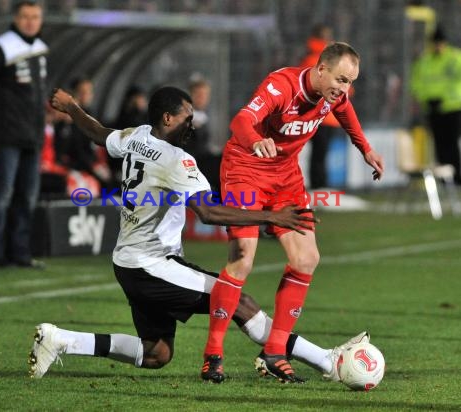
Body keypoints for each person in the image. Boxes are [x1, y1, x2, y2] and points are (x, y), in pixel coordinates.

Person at [28, 86, 370, 382]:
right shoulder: (177, 161)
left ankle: (61, 339)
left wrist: (72, 107)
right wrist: (272, 215)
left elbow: (100, 133)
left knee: (156, 354)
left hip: (127, 263)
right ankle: (326, 360)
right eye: (187, 118)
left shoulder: (137, 135)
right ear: (167, 119)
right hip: (152, 264)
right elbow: (208, 212)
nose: (193, 124)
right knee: (241, 302)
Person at [203, 42, 384, 383]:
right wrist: (256, 139)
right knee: (242, 258)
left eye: (350, 82)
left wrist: (366, 149)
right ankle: (213, 353)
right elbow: (241, 120)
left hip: (285, 177)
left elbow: (345, 112)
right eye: (341, 79)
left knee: (306, 259)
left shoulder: (334, 96)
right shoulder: (281, 85)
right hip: (246, 170)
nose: (344, 90)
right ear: (320, 70)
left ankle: (274, 352)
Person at [0, 1, 48, 268]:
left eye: (35, 16)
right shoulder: (1, 47)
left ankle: (20, 253)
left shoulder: (38, 49)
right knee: (2, 194)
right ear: (15, 18)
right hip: (6, 134)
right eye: (25, 16)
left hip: (32, 135)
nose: (30, 21)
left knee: (26, 197)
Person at [410, 26, 461, 186]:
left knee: (452, 143)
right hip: (432, 108)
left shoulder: (456, 58)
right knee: (439, 144)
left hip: (452, 108)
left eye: (440, 42)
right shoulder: (425, 61)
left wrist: (445, 100)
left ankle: (457, 177)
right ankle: (445, 179)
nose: (438, 46)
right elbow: (416, 83)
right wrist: (427, 99)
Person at [299, 24, 342, 189]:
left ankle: (319, 186)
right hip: (322, 116)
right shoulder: (319, 61)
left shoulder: (315, 59)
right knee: (319, 154)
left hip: (323, 115)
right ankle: (319, 187)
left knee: (319, 154)